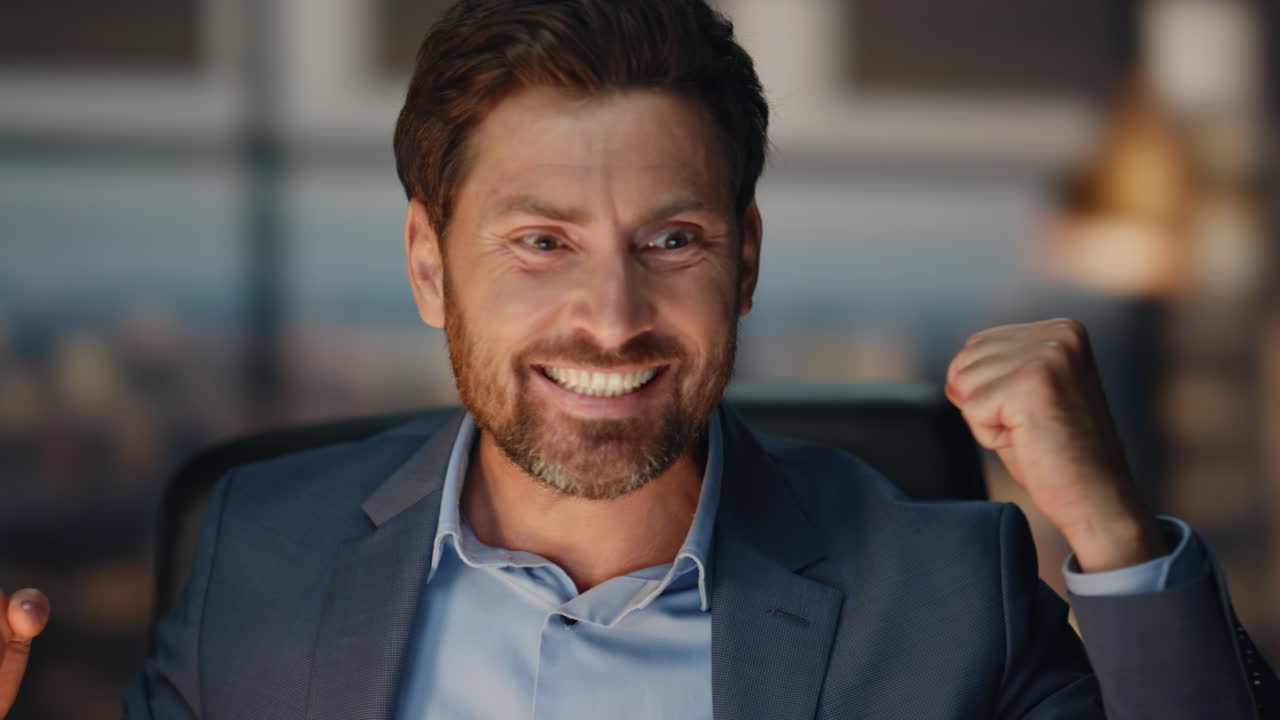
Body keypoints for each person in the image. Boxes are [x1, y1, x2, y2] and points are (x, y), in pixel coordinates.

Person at [2, 0, 1276, 717]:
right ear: (429, 265)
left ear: (747, 258)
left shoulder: (944, 597)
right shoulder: (255, 557)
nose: (610, 318)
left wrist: (1110, 538)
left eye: (671, 238)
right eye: (540, 242)